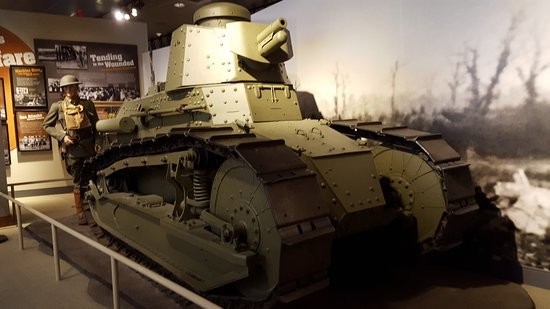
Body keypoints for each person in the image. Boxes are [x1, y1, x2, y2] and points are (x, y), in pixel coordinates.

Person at [43, 74, 99, 225]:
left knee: (94, 177)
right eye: (66, 87)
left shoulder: (87, 105)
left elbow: (96, 127)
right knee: (77, 180)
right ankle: (80, 211)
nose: (69, 89)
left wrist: (97, 142)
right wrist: (62, 137)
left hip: (89, 147)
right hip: (73, 149)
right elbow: (46, 126)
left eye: (72, 86)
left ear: (77, 87)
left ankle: (95, 208)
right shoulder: (58, 107)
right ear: (62, 90)